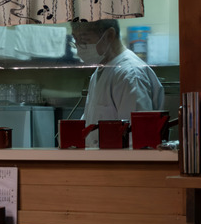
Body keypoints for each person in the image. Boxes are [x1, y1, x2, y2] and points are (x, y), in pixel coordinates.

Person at [70, 19, 164, 147]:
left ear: (109, 35)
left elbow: (134, 140)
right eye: (76, 41)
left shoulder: (130, 74)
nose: (79, 50)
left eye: (84, 41)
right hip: (100, 161)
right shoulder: (100, 71)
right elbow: (90, 123)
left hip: (121, 164)